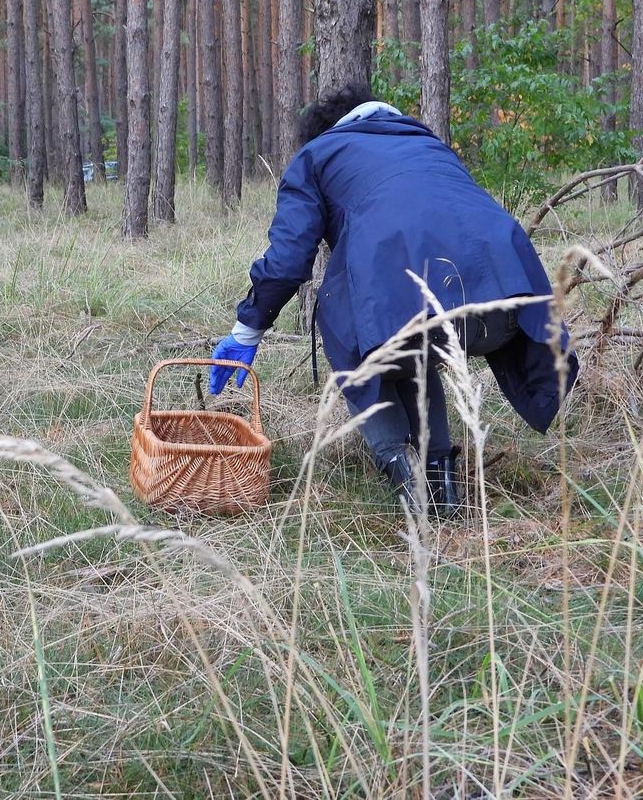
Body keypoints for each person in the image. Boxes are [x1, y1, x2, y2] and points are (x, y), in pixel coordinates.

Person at [207, 83, 579, 517]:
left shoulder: (317, 155)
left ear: (326, 131)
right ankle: (445, 496)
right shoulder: (428, 145)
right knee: (413, 352)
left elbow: (290, 259)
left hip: (425, 305)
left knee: (360, 336)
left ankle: (406, 483)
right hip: (507, 304)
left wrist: (248, 328)